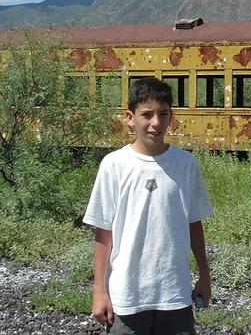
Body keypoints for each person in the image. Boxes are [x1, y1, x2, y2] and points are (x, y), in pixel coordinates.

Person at [83, 77, 213, 335]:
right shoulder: (114, 165)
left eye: (163, 114)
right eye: (147, 115)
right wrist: (100, 290)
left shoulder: (185, 164)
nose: (156, 123)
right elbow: (103, 233)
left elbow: (194, 223)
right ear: (130, 118)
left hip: (175, 293)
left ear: (171, 117)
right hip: (127, 297)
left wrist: (204, 275)